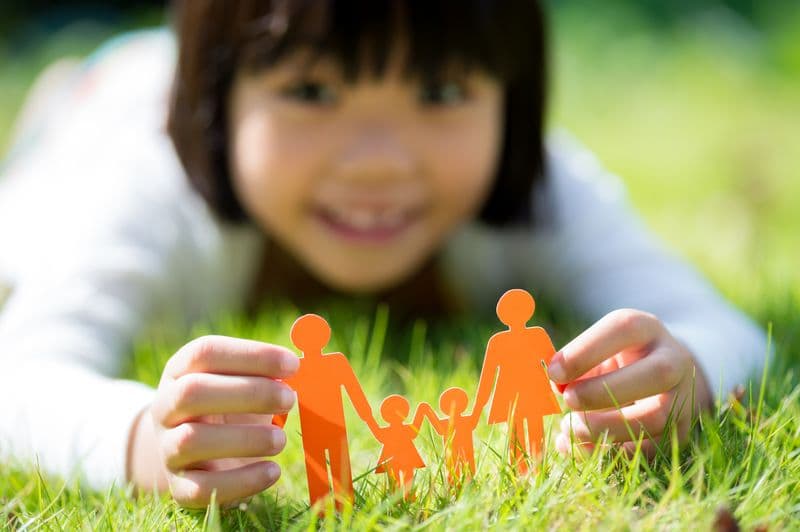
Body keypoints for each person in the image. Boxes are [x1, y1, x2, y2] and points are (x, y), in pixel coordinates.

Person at [0, 0, 766, 510]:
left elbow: (731, 330)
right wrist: (141, 440)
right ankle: (78, 91)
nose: (377, 163)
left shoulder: (541, 188)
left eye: (438, 93)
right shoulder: (148, 190)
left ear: (516, 99)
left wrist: (688, 372)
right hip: (107, 120)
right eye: (310, 92)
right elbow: (20, 381)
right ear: (216, 101)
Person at [472, 289, 561, 474]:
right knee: (519, 434)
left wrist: (478, 408)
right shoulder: (500, 341)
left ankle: (536, 471)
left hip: (528, 392)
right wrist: (478, 406)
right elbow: (488, 376)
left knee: (528, 432)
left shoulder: (533, 336)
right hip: (514, 395)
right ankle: (526, 472)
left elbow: (556, 366)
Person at [371, 395, 428, 500]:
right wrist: (421, 411)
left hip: (405, 459)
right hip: (393, 460)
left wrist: (370, 420)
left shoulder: (403, 430)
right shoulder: (396, 431)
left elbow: (379, 434)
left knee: (406, 478)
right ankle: (397, 499)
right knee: (395, 478)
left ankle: (408, 497)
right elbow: (379, 435)